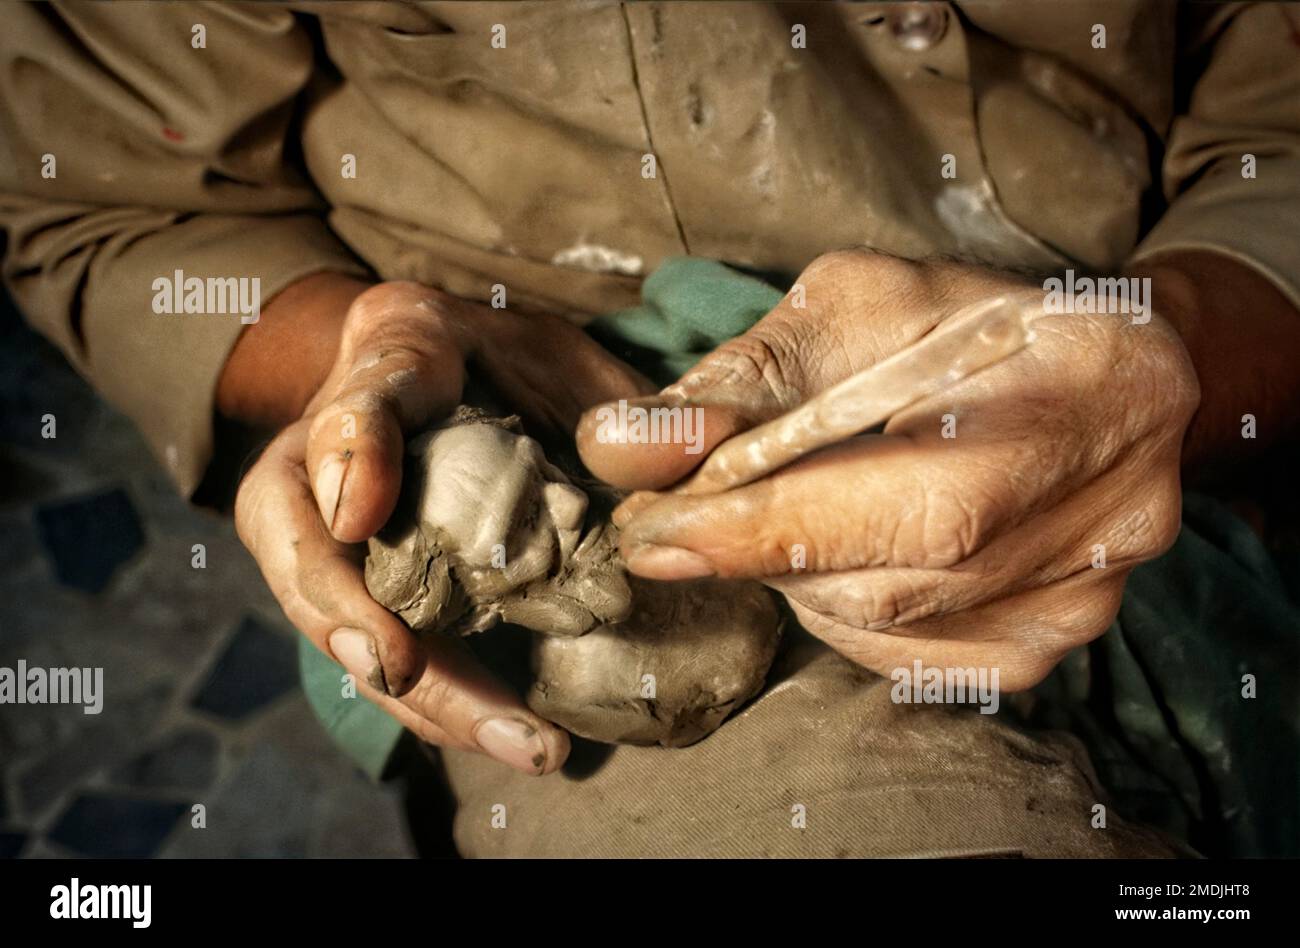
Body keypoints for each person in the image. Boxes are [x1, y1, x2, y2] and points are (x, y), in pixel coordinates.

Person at [3, 1, 1297, 856]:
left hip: (1141, 347)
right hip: (558, 373)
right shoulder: (601, 614)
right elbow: (104, 207)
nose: (565, 516)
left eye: (532, 512)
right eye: (527, 534)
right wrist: (352, 350)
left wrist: (1165, 348)